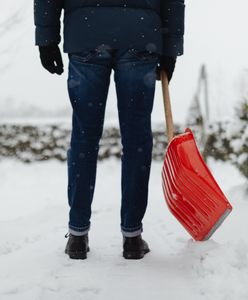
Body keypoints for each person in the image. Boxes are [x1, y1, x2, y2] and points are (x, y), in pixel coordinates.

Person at [34, 0, 185, 260]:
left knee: (84, 135)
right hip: (140, 37)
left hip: (86, 33)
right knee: (137, 136)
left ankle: (78, 235)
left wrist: (47, 39)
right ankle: (132, 236)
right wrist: (170, 48)